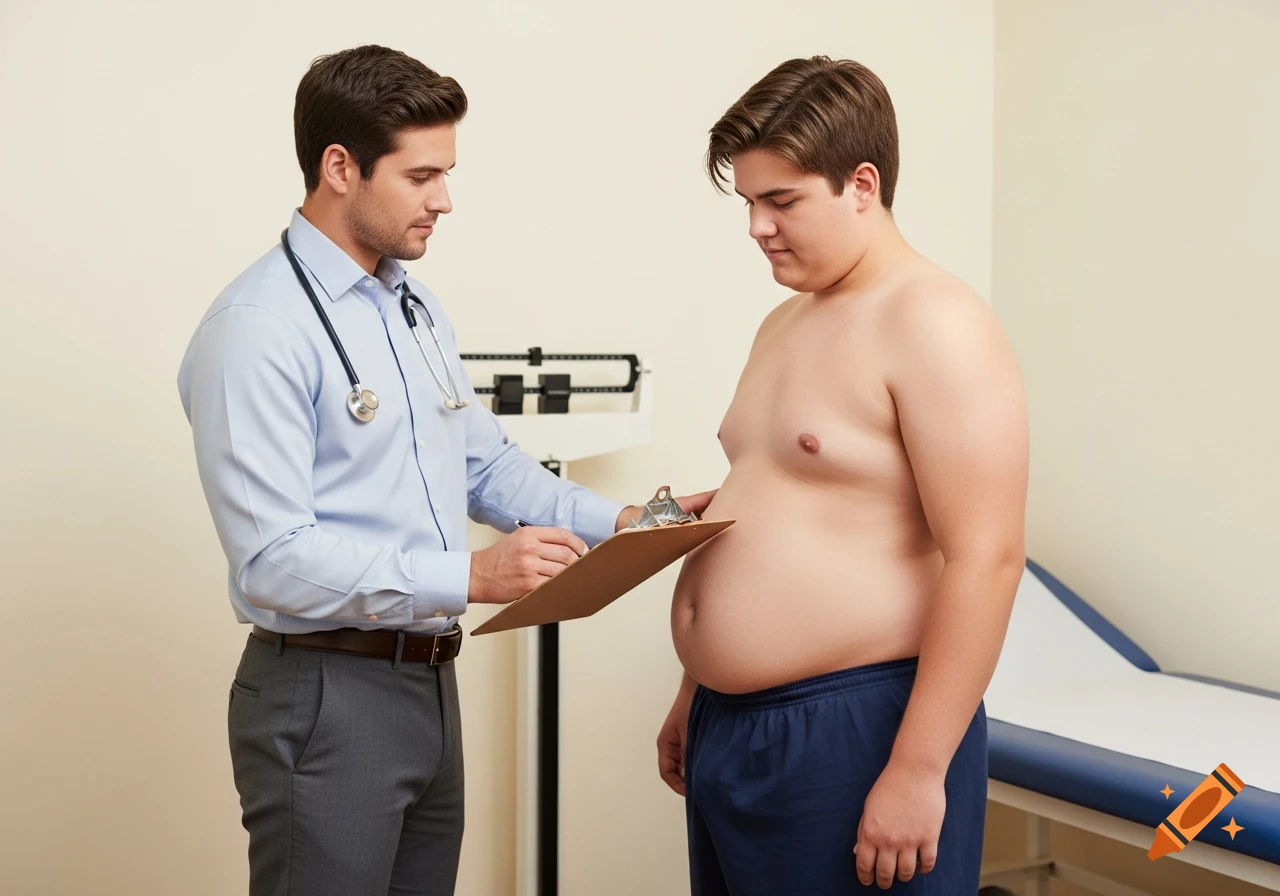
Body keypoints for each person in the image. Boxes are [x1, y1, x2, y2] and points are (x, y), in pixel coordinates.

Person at [177, 44, 712, 896]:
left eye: (447, 174)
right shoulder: (258, 328)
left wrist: (626, 524)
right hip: (326, 691)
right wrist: (472, 575)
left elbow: (486, 467)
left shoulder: (413, 307)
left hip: (425, 686)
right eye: (422, 176)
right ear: (340, 168)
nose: (445, 200)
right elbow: (272, 561)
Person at [656, 56, 1029, 894]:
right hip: (730, 724)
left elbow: (988, 557)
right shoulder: (783, 321)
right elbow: (762, 504)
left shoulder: (936, 321)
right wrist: (696, 686)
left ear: (862, 184)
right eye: (749, 203)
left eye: (781, 200)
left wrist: (918, 769)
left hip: (858, 724)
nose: (758, 226)